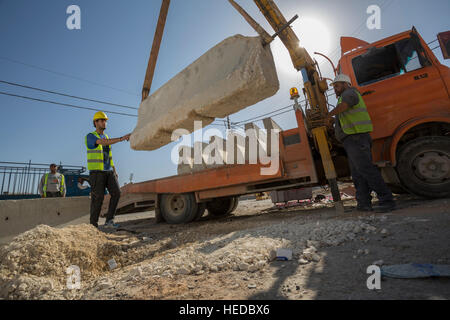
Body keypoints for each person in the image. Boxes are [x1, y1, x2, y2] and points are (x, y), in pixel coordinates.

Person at [326, 74, 396, 213]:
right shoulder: (343, 97)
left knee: (366, 169)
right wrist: (335, 121)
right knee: (357, 174)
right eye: (334, 87)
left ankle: (387, 200)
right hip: (351, 140)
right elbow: (345, 115)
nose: (335, 89)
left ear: (346, 84)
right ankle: (363, 203)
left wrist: (328, 116)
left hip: (357, 137)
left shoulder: (350, 93)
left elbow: (344, 106)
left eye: (337, 85)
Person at [86, 111, 131, 228]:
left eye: (105, 120)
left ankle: (109, 221)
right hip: (96, 173)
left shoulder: (106, 136)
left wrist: (114, 170)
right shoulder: (90, 136)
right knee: (98, 198)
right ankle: (93, 226)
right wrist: (121, 138)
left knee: (117, 193)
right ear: (95, 122)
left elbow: (109, 156)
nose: (104, 122)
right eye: (102, 120)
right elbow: (102, 143)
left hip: (108, 171)